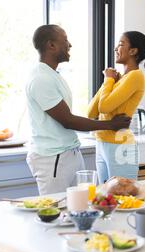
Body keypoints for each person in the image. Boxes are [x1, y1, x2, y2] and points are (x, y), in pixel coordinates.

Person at [25, 25, 131, 195]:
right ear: (51, 45)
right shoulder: (41, 79)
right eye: (65, 40)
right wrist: (111, 124)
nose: (70, 45)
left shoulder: (51, 74)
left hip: (68, 153)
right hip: (53, 158)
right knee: (57, 210)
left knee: (81, 208)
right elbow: (68, 120)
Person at [87, 31, 145, 184]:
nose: (116, 48)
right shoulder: (121, 79)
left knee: (124, 199)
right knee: (106, 199)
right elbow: (91, 112)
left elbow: (104, 107)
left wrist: (108, 79)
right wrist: (109, 81)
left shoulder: (136, 76)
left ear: (133, 51)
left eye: (121, 44)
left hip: (120, 148)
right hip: (102, 143)